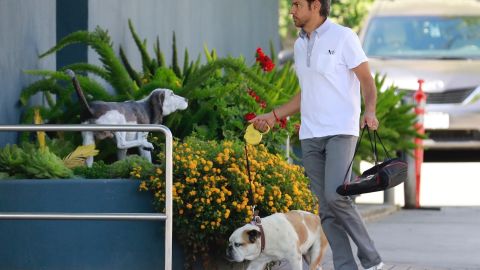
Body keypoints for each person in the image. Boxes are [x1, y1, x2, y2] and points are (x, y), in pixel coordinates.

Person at [250, 0, 384, 269]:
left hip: (341, 131)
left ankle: (371, 260)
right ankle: (346, 266)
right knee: (326, 208)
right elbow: (306, 93)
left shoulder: (344, 37)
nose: (292, 10)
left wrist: (369, 111)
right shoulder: (300, 45)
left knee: (337, 196)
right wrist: (274, 116)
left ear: (315, 6)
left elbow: (366, 80)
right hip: (310, 134)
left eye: (297, 4)